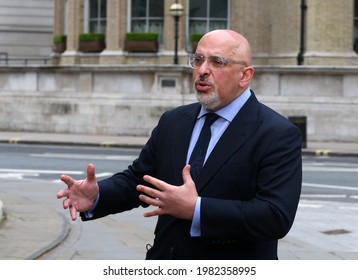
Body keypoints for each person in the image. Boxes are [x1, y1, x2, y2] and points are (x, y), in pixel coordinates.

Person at [57, 29, 302, 260]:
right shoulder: (174, 121)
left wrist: (197, 209)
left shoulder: (277, 133)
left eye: (217, 62)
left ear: (245, 75)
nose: (202, 70)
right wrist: (99, 195)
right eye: (197, 60)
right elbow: (139, 181)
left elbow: (275, 216)